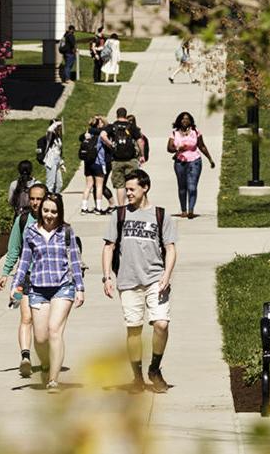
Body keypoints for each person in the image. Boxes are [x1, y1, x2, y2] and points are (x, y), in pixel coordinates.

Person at [101, 169, 177, 394]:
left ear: (145, 188)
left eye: (132, 189)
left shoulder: (161, 215)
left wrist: (166, 274)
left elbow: (170, 248)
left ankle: (154, 369)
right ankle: (137, 377)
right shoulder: (120, 215)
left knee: (161, 324)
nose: (128, 193)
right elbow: (108, 247)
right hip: (128, 281)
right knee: (134, 330)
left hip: (156, 279)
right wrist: (107, 276)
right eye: (126, 189)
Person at [11, 192, 85, 393]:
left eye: (53, 211)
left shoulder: (66, 231)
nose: (49, 215)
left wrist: (79, 288)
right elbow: (24, 262)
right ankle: (46, 364)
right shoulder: (31, 233)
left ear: (59, 212)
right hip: (37, 289)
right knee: (40, 338)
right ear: (40, 211)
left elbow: (75, 262)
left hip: (63, 287)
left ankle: (53, 379)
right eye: (46, 210)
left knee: (54, 330)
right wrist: (16, 287)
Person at [0, 183, 48, 378]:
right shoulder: (23, 220)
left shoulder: (53, 218)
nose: (35, 203)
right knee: (26, 318)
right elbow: (14, 249)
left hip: (48, 279)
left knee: (43, 325)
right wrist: (5, 273)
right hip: (25, 277)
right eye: (32, 199)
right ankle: (25, 357)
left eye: (39, 199)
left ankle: (45, 358)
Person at [167, 111, 216, 219]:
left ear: (191, 121)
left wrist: (210, 159)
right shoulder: (175, 133)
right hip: (180, 162)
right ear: (179, 121)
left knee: (192, 187)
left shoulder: (195, 132)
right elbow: (169, 148)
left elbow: (202, 146)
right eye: (183, 119)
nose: (185, 120)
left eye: (187, 119)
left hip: (195, 161)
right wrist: (177, 148)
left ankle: (191, 210)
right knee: (182, 187)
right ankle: (183, 210)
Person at [100, 107, 145, 206]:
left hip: (117, 160)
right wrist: (142, 155)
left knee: (120, 185)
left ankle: (121, 207)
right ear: (125, 115)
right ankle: (133, 204)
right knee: (132, 182)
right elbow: (140, 141)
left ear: (117, 115)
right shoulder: (131, 127)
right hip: (131, 159)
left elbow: (103, 135)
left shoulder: (112, 126)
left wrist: (110, 144)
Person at [80, 116, 108, 214]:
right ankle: (98, 208)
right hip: (98, 163)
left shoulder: (87, 134)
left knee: (88, 185)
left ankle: (84, 207)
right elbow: (100, 153)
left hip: (88, 163)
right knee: (99, 186)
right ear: (98, 124)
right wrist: (103, 165)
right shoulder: (100, 135)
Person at [43, 119, 65, 194]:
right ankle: (48, 201)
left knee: (59, 184)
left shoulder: (58, 137)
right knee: (50, 184)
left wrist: (61, 163)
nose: (60, 128)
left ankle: (55, 198)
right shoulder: (49, 136)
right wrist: (56, 124)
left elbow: (58, 151)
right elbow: (49, 130)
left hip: (57, 162)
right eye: (58, 127)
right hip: (51, 161)